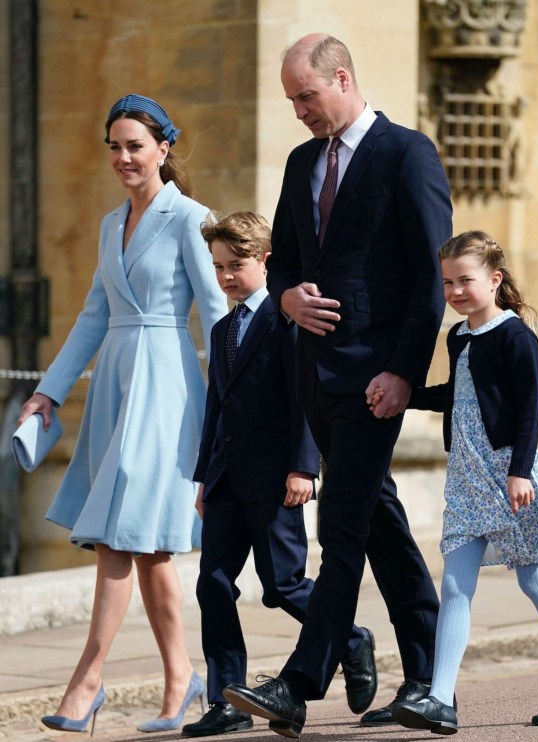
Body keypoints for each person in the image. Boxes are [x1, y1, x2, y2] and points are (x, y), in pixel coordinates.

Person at [222, 34, 453, 738]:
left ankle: (298, 683)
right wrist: (286, 298)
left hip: (376, 382)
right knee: (376, 518)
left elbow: (429, 277)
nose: (297, 111)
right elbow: (285, 262)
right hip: (314, 380)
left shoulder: (406, 154)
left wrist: (403, 372)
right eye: (290, 99)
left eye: (306, 97)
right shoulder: (299, 164)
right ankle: (428, 676)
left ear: (343, 79)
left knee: (343, 524)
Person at [18, 94, 228, 735]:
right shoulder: (112, 225)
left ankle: (85, 683)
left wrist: (233, 403)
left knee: (118, 536)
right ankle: (180, 678)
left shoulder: (193, 218)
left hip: (166, 387)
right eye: (114, 146)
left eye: (135, 145)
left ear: (164, 148)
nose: (123, 157)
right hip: (114, 383)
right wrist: (48, 394)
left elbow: (217, 313)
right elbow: (93, 316)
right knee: (149, 549)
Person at [181, 211, 378, 738]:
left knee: (284, 585)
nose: (225, 276)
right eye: (218, 266)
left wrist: (303, 467)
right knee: (213, 586)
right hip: (224, 481)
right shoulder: (222, 329)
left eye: (236, 265)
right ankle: (228, 700)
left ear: (266, 262)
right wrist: (203, 478)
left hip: (275, 480)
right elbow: (215, 410)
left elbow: (303, 401)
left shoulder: (288, 323)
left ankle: (351, 638)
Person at [389, 231, 538, 734]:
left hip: (507, 473)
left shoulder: (514, 335)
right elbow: (460, 396)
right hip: (466, 474)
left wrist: (519, 471)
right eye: (448, 283)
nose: (456, 291)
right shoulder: (458, 336)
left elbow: (529, 409)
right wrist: (404, 394)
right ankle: (439, 699)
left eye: (466, 280)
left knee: (532, 578)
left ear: (494, 280)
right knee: (456, 584)